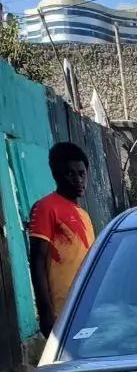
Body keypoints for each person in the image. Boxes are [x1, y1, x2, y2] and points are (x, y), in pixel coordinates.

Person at [28, 142, 94, 337]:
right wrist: (46, 313)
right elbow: (37, 261)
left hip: (87, 306)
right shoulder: (46, 207)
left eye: (81, 174)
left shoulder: (83, 214)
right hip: (62, 311)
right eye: (70, 174)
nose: (78, 180)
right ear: (56, 175)